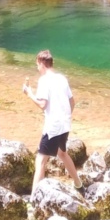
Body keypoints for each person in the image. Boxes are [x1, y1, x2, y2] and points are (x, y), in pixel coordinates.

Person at [22, 49, 81, 193]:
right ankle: (79, 184)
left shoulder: (44, 80)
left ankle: (34, 198)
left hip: (53, 127)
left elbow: (43, 104)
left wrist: (29, 93)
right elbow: (72, 102)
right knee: (62, 154)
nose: (37, 68)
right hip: (65, 125)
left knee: (40, 161)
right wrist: (65, 116)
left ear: (42, 64)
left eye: (37, 65)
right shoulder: (62, 78)